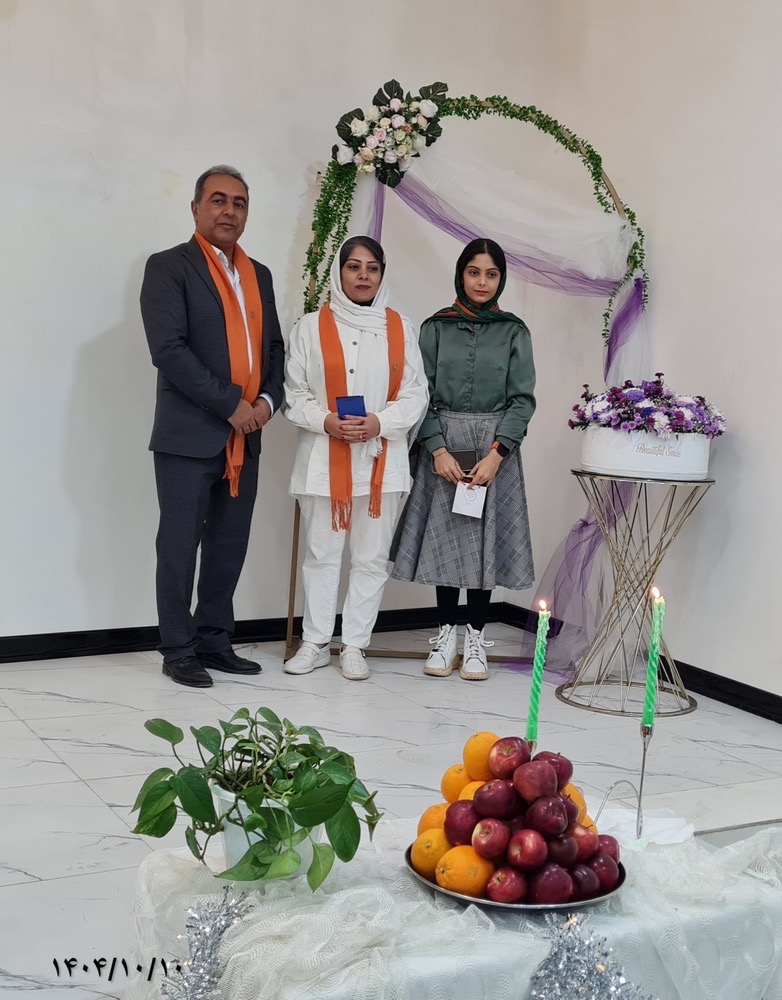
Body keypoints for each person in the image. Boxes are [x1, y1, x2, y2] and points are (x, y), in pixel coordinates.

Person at [140, 165, 285, 688]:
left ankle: (214, 640)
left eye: (239, 203)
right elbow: (169, 350)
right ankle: (178, 648)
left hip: (247, 435)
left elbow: (274, 349)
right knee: (179, 547)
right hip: (189, 435)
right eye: (218, 200)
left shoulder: (259, 274)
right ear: (196, 208)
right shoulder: (168, 267)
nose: (229, 210)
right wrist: (231, 405)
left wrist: (266, 401)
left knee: (228, 544)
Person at [283, 236, 428, 681]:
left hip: (381, 459)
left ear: (382, 274)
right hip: (323, 459)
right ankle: (315, 642)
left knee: (371, 559)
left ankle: (355, 645)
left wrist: (379, 423)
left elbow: (416, 395)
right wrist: (326, 420)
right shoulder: (309, 327)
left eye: (372, 268)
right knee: (321, 555)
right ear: (339, 272)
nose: (363, 275)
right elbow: (294, 393)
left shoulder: (400, 328)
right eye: (353, 266)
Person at [391, 238, 536, 681]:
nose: (482, 282)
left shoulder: (514, 331)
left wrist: (498, 453)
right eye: (474, 272)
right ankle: (445, 636)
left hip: (494, 451)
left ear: (501, 279)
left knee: (483, 542)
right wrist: (436, 448)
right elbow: (419, 393)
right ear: (461, 274)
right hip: (444, 448)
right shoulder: (436, 328)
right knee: (446, 540)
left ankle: (475, 638)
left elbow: (522, 400)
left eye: (491, 274)